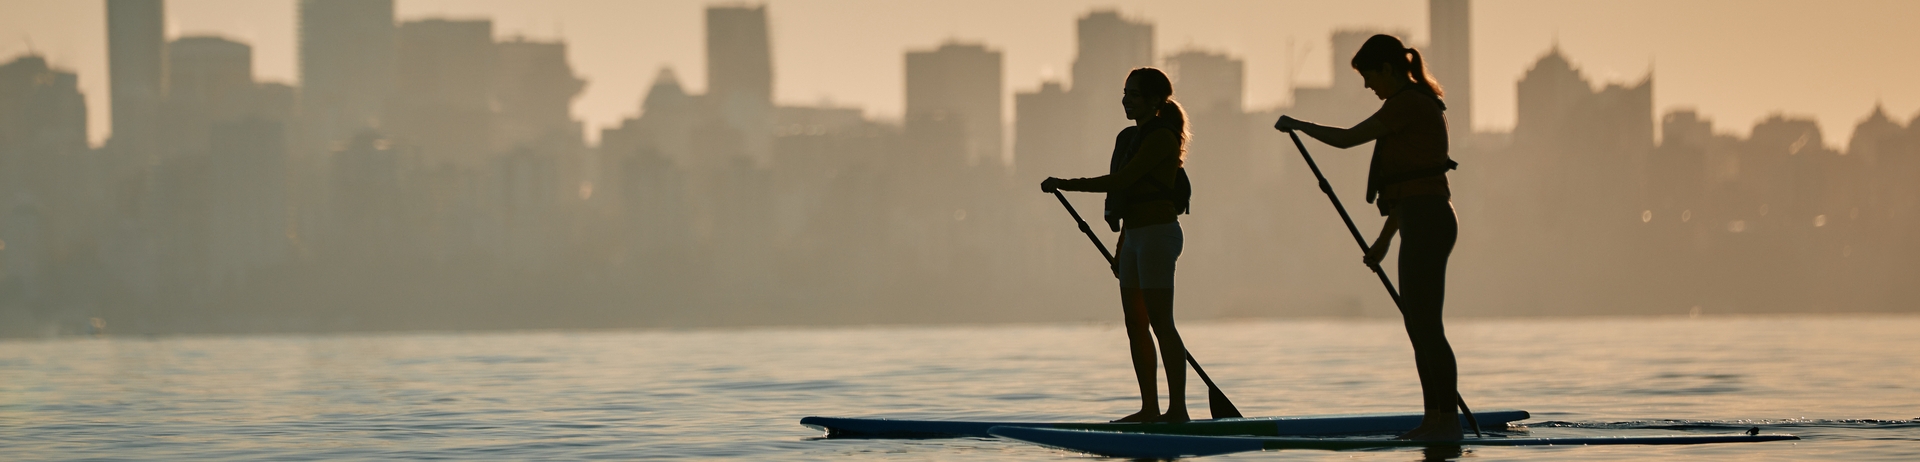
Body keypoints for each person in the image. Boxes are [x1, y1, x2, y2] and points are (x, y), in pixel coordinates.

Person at [1273, 34, 1464, 440]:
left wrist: (1299, 125)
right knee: (1417, 327)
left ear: (1387, 69)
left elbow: (1346, 140)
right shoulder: (1405, 104)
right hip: (1418, 219)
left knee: (1427, 327)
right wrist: (1384, 240)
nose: (1367, 86)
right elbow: (1406, 191)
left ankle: (1447, 422)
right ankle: (1434, 419)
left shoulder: (1408, 104)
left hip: (1428, 221)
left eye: (1369, 76)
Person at [1041, 67, 1193, 423]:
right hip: (1135, 236)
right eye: (1125, 93)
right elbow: (1128, 200)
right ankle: (1150, 409)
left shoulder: (1162, 137)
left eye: (1134, 94)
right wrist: (1121, 247)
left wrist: (1065, 184)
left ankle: (1178, 411)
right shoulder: (1128, 138)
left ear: (1154, 101)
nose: (1126, 100)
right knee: (1135, 324)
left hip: (1158, 235)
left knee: (1161, 322)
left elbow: (1123, 180)